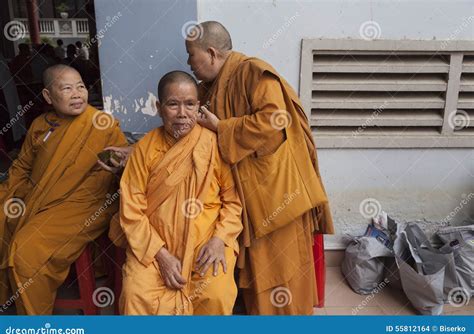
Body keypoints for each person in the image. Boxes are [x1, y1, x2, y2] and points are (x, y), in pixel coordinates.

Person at [185, 21, 335, 315]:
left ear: (212, 53)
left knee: (282, 271)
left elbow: (275, 119)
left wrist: (222, 127)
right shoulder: (211, 87)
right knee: (261, 272)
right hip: (248, 195)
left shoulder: (253, 72)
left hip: (277, 194)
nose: (189, 63)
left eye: (191, 55)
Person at [109, 71, 243, 315]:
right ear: (159, 107)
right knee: (135, 295)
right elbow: (131, 211)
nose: (182, 113)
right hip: (153, 247)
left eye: (190, 104)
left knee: (215, 295)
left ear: (199, 106)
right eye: (173, 104)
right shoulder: (144, 149)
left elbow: (233, 201)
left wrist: (219, 240)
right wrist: (161, 255)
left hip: (206, 245)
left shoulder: (213, 144)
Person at [0, 64, 127, 315]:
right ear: (48, 96)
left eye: (80, 87)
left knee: (25, 253)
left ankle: (35, 324)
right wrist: (14, 191)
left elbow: (111, 173)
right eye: (67, 88)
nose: (77, 94)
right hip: (39, 197)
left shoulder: (101, 124)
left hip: (83, 204)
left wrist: (118, 165)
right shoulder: (40, 124)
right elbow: (23, 165)